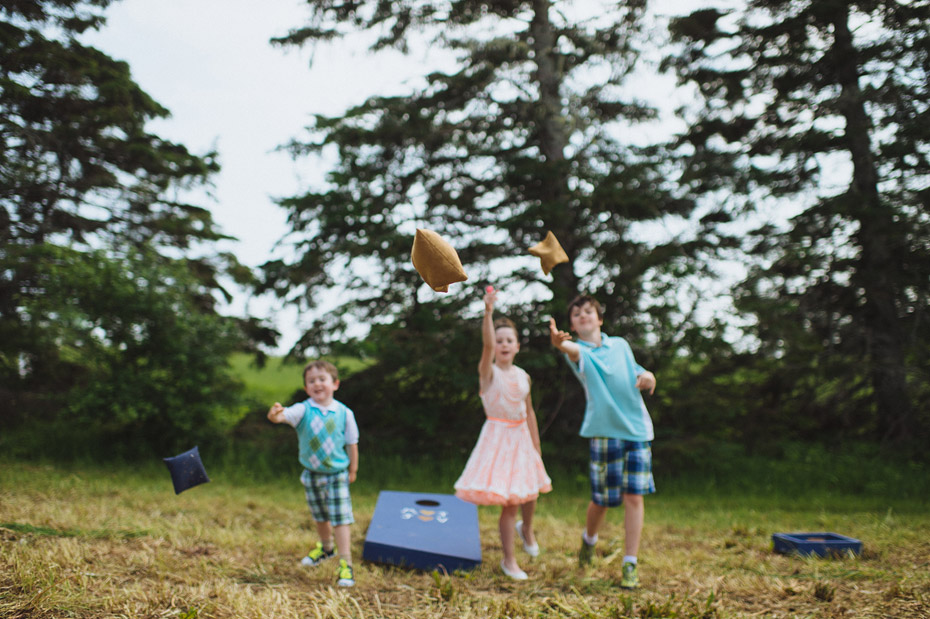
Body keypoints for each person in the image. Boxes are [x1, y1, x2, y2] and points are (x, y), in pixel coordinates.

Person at [548, 294, 657, 590]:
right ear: (572, 324)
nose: (583, 316)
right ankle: (589, 540)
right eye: (576, 314)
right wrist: (559, 343)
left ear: (599, 319)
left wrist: (648, 377)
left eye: (588, 311)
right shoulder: (580, 352)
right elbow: (569, 349)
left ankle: (630, 563)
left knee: (634, 497)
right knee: (603, 501)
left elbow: (637, 371)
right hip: (605, 433)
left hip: (637, 431)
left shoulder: (620, 345)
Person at [454, 286, 552, 580]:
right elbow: (485, 347)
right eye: (499, 341)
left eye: (509, 340)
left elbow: (529, 410)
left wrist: (536, 444)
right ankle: (509, 561)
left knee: (530, 491)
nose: (504, 344)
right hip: (498, 441)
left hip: (521, 437)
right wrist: (488, 312)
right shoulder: (488, 373)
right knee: (510, 502)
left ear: (518, 345)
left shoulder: (523, 376)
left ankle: (528, 528)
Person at [267, 360, 359, 588]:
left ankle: (345, 563)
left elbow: (352, 444)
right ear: (306, 388)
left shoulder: (345, 413)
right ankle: (327, 549)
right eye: (311, 381)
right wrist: (275, 416)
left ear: (335, 384)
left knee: (340, 519)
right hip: (311, 474)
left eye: (322, 379)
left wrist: (353, 469)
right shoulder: (303, 410)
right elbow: (283, 416)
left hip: (337, 475)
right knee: (320, 516)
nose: (317, 384)